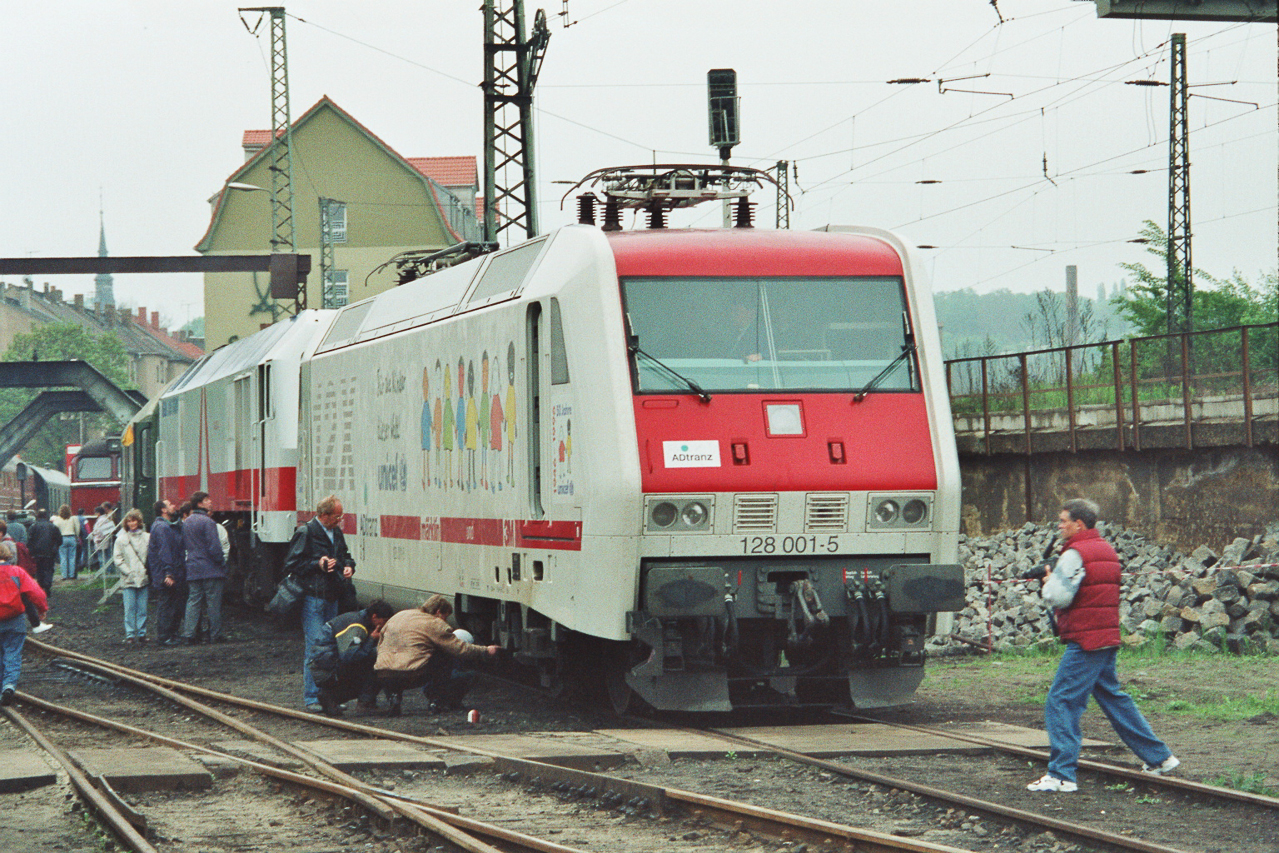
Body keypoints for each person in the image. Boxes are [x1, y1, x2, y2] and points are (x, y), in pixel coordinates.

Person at [1027, 498, 1180, 793]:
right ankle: (1160, 759)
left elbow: (1058, 597)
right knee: (1113, 697)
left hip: (1086, 640)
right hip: (1105, 635)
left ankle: (1061, 776)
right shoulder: (1105, 549)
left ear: (1078, 524)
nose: (1059, 526)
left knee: (1060, 701)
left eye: (1063, 521)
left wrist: (1048, 581)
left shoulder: (1075, 553)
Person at [284, 495, 356, 712]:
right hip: (312, 597)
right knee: (316, 647)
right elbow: (292, 564)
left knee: (331, 648)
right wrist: (318, 563)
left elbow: (345, 556)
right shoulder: (306, 532)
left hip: (331, 595)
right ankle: (312, 697)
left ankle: (328, 696)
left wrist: (348, 567)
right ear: (323, 515)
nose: (340, 520)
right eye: (336, 516)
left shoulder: (335, 532)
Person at [374, 594, 498, 717]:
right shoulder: (434, 623)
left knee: (391, 659)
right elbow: (459, 648)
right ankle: (436, 702)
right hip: (412, 674)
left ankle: (394, 698)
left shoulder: (399, 615)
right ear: (438, 612)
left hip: (383, 674)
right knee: (444, 654)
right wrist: (485, 651)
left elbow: (380, 646)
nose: (445, 621)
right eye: (445, 616)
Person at [309, 599, 395, 717]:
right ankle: (364, 703)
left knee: (371, 660)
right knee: (377, 660)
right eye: (384, 621)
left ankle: (331, 698)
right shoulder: (357, 626)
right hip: (326, 669)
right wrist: (371, 640)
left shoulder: (361, 620)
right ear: (374, 617)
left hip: (326, 663)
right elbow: (349, 656)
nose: (385, 625)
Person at [0, 541, 48, 705]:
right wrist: (42, 609)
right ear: (8, 555)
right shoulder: (17, 572)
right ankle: (9, 685)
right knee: (12, 653)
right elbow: (36, 592)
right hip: (15, 619)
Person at [179, 492, 227, 644]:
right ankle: (215, 635)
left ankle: (189, 634)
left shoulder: (187, 522)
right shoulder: (208, 522)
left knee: (193, 601)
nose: (210, 502)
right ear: (199, 504)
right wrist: (221, 561)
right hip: (211, 569)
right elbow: (214, 547)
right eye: (207, 500)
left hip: (193, 567)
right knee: (213, 604)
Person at [147, 499, 186, 647]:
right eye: (170, 505)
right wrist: (169, 573)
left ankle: (169, 635)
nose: (174, 506)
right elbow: (165, 552)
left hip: (162, 572)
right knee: (167, 606)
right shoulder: (162, 528)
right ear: (163, 510)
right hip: (165, 574)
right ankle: (165, 637)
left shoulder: (160, 526)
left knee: (170, 605)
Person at [113, 509, 150, 644]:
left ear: (139, 521)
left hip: (143, 577)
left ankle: (141, 633)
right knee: (129, 608)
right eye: (129, 521)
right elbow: (117, 559)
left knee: (142, 608)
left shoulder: (147, 537)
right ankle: (130, 634)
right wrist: (128, 572)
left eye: (134, 520)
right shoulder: (121, 539)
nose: (132, 523)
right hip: (128, 579)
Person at [25, 508, 61, 597]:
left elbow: (29, 540)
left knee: (39, 570)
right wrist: (55, 548)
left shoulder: (33, 526)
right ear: (46, 516)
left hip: (37, 553)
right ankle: (48, 587)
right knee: (49, 569)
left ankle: (41, 587)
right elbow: (59, 540)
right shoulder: (53, 526)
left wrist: (31, 550)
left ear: (38, 516)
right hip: (49, 552)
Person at [53, 505, 78, 580]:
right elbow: (77, 528)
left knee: (63, 557)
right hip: (72, 537)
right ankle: (71, 575)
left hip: (62, 538)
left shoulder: (57, 519)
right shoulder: (73, 518)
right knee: (72, 557)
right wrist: (76, 536)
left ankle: (64, 575)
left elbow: (55, 530)